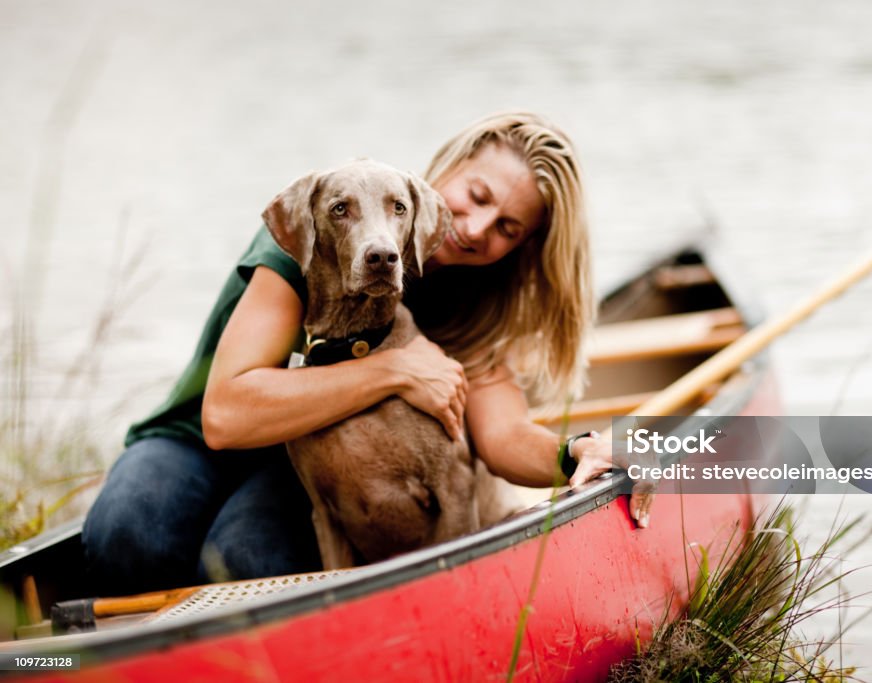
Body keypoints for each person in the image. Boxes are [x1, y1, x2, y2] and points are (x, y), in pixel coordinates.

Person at [82, 112, 652, 597]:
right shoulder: (325, 221)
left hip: (310, 467)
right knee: (127, 535)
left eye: (506, 227)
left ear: (524, 244)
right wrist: (394, 368)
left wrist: (580, 450)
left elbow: (501, 437)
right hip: (199, 436)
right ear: (450, 165)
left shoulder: (476, 301)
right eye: (476, 196)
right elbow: (226, 415)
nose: (475, 228)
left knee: (245, 558)